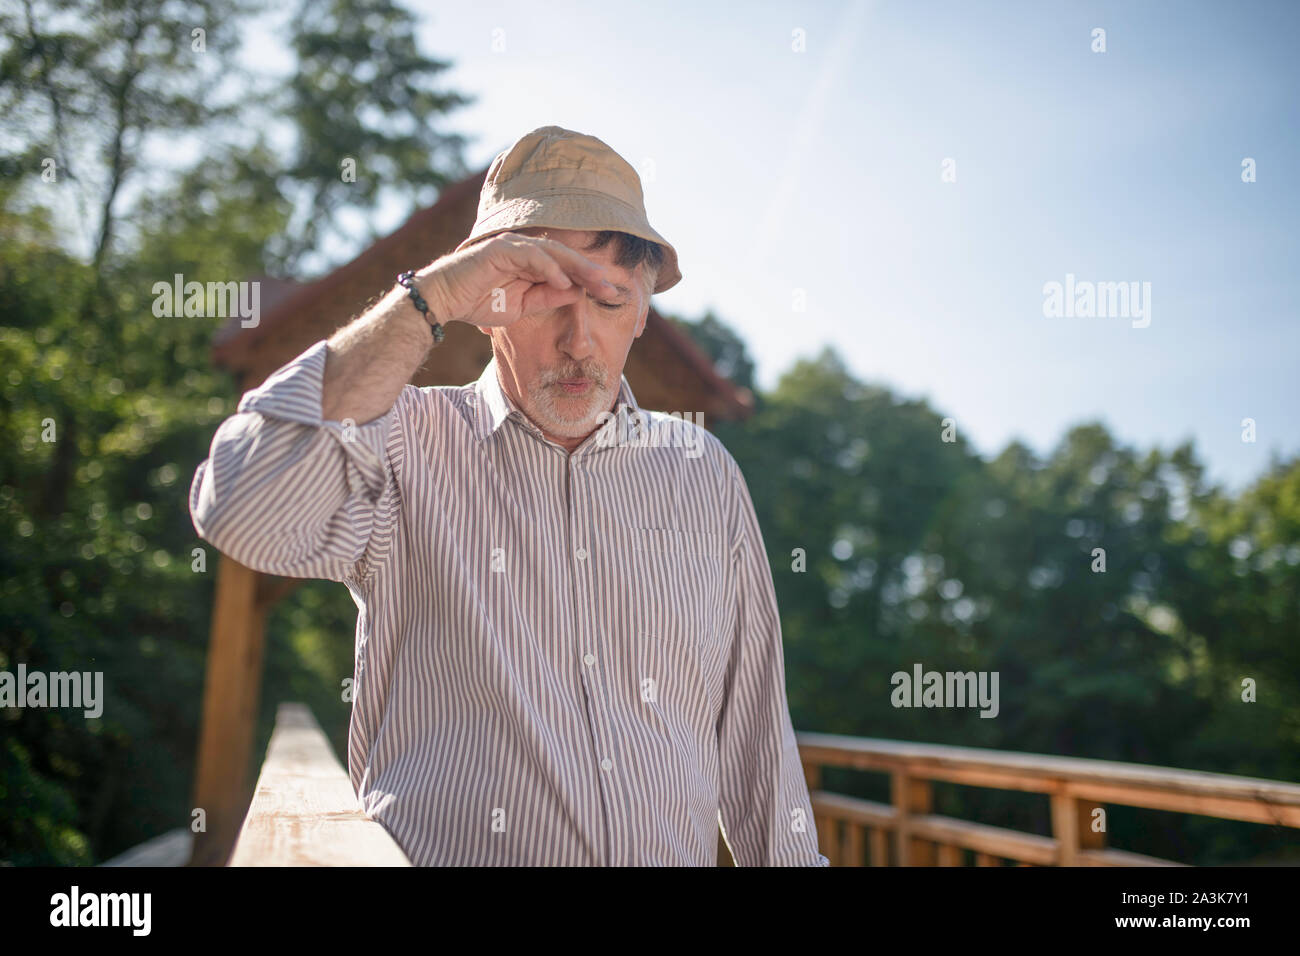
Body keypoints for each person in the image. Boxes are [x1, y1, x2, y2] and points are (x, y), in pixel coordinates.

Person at [189, 125, 828, 866]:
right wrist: (427, 301)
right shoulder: (401, 441)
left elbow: (756, 736)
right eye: (541, 295)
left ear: (644, 313)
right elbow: (239, 506)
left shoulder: (705, 473)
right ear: (486, 300)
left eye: (612, 300)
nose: (579, 339)